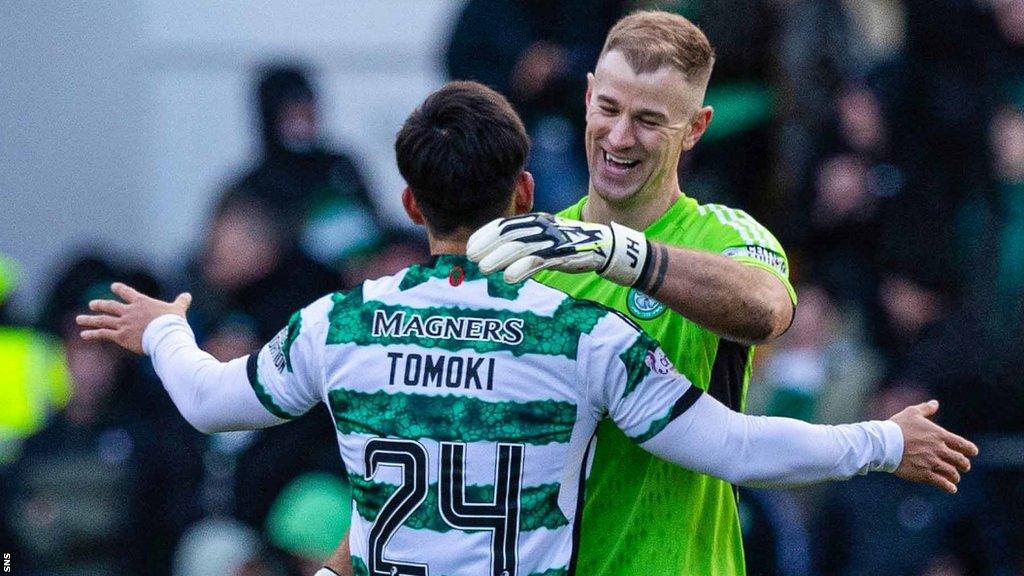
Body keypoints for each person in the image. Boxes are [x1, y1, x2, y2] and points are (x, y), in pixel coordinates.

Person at [76, 81, 976, 576]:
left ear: (408, 203)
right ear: (524, 195)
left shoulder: (340, 323)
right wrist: (880, 441)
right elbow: (735, 449)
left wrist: (164, 330)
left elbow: (205, 402)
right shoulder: (582, 334)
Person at [464, 11, 819, 576]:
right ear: (586, 98)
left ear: (696, 128)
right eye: (608, 108)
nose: (620, 136)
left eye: (650, 120)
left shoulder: (725, 236)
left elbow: (767, 309)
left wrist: (624, 255)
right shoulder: (531, 252)